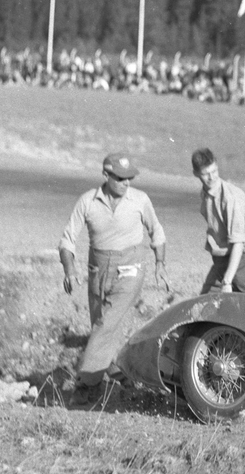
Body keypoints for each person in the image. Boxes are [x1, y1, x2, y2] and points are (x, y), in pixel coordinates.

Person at [58, 153, 168, 399]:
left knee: (105, 326)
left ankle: (87, 386)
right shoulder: (87, 201)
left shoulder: (140, 200)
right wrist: (69, 270)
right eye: (120, 178)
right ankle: (122, 374)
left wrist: (160, 263)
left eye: (130, 178)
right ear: (106, 176)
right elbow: (67, 239)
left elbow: (156, 230)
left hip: (131, 270)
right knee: (102, 326)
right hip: (98, 271)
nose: (127, 183)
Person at [192, 148, 245, 295]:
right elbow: (224, 228)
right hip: (221, 261)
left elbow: (238, 242)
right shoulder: (205, 193)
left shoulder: (231, 198)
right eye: (205, 174)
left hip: (242, 262)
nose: (211, 177)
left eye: (214, 171)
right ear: (196, 174)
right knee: (206, 306)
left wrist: (227, 281)